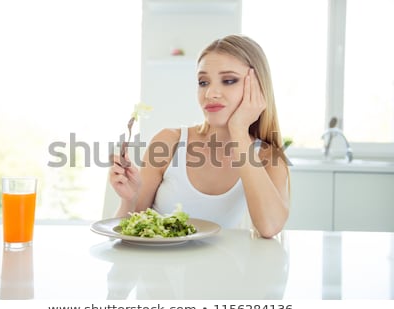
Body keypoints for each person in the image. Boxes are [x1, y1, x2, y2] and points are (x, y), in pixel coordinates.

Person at [109, 35, 289, 238]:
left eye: (229, 80)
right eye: (203, 82)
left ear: (257, 87)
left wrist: (239, 130)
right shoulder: (169, 142)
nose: (211, 93)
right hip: (158, 266)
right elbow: (127, 228)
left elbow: (270, 227)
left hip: (218, 268)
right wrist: (128, 200)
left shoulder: (267, 157)